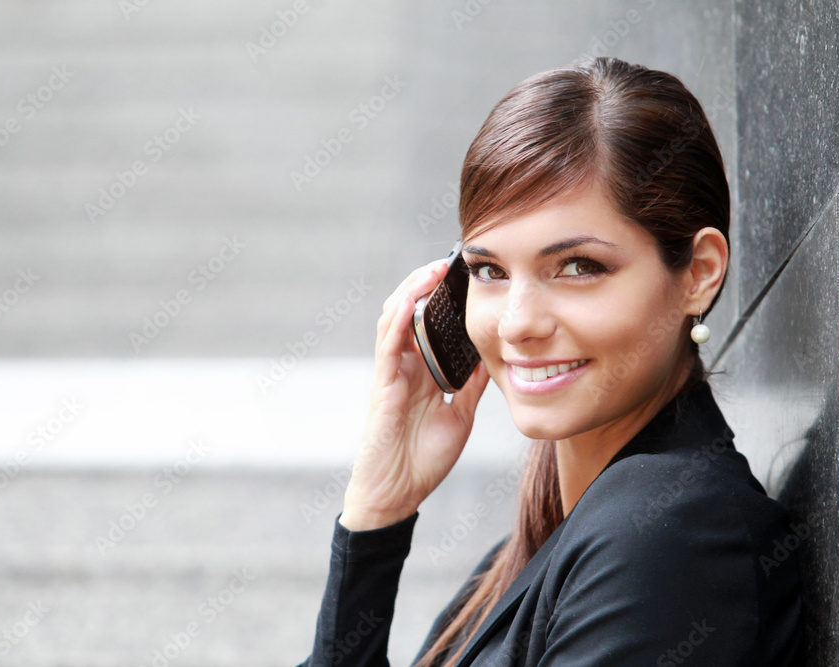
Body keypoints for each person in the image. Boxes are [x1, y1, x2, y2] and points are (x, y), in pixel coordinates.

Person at [296, 57, 804, 666]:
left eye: (578, 267)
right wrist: (378, 511)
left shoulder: (670, 533)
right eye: (490, 271)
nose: (517, 323)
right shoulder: (531, 555)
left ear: (698, 273)